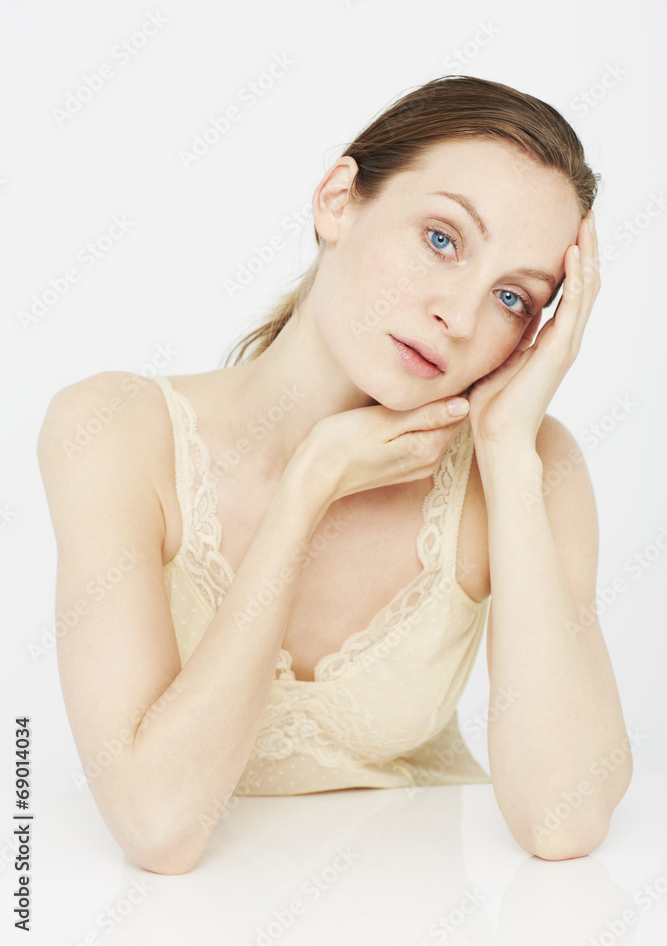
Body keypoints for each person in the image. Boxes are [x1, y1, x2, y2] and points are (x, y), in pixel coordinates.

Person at [37, 75, 632, 875]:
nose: (459, 316)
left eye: (511, 298)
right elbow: (157, 827)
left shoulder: (529, 463)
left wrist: (505, 451)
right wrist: (308, 487)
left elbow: (563, 821)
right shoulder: (112, 431)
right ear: (338, 199)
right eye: (442, 239)